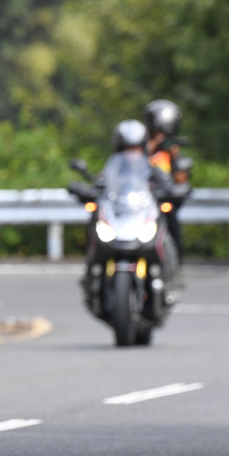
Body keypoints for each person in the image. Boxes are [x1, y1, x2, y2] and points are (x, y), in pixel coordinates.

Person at [81, 119, 176, 312]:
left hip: (141, 221)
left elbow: (168, 186)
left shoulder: (151, 170)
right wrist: (86, 191)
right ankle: (91, 280)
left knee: (166, 241)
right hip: (118, 222)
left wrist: (171, 190)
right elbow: (97, 186)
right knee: (93, 232)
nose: (132, 153)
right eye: (127, 148)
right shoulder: (111, 170)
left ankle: (170, 284)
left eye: (135, 148)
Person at [142, 100, 192, 255]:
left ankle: (174, 264)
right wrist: (152, 147)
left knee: (172, 227)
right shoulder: (139, 149)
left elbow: (182, 181)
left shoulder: (173, 153)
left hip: (163, 203)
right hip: (140, 202)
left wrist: (175, 158)